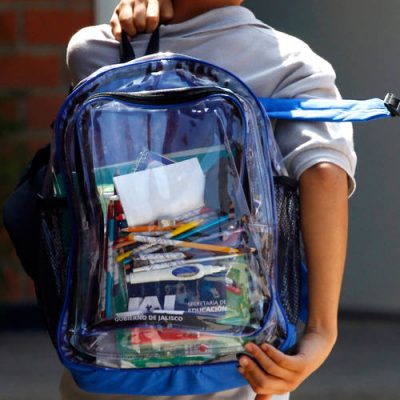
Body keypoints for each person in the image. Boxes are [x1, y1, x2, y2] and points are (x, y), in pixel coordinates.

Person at [63, 1, 355, 399]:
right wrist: (321, 333)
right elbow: (324, 174)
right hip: (242, 367)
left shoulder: (94, 52)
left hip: (110, 364)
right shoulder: (290, 63)